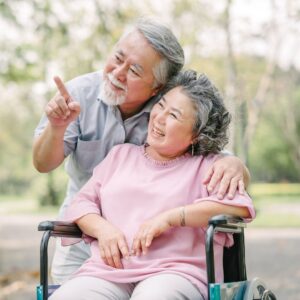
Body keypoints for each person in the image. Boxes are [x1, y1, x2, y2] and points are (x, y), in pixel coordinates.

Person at [33, 18, 250, 284]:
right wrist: (57, 128)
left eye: (134, 71)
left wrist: (235, 164)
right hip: (83, 229)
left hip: (152, 248)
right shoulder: (78, 94)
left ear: (157, 88)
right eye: (117, 58)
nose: (117, 73)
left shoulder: (167, 105)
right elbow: (42, 164)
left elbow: (210, 153)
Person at [49, 70, 255, 300]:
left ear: (196, 134)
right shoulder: (120, 155)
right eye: (161, 105)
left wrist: (172, 217)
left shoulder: (210, 167)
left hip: (175, 273)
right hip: (108, 271)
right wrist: (103, 229)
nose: (159, 117)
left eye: (174, 116)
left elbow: (238, 208)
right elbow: (81, 204)